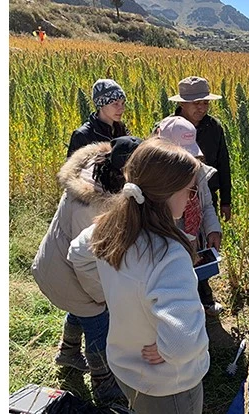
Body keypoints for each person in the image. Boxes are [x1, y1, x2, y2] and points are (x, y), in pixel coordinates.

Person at [67, 139, 209, 414]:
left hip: (125, 367)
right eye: (189, 191)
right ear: (168, 194)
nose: (191, 199)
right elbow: (182, 343)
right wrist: (170, 349)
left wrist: (110, 293)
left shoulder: (108, 228)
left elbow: (76, 254)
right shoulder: (169, 255)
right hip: (170, 385)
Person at [31, 136, 142, 404]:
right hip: (66, 272)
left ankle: (68, 352)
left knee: (79, 309)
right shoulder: (91, 207)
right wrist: (101, 297)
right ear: (122, 174)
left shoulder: (94, 171)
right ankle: (103, 383)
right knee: (97, 320)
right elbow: (85, 265)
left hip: (52, 264)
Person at [154, 115, 225, 316]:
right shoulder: (154, 181)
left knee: (200, 278)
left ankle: (204, 304)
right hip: (171, 248)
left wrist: (213, 229)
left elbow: (207, 204)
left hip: (196, 240)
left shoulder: (197, 170)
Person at [169, 76, 232, 221]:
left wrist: (225, 201)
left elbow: (223, 164)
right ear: (182, 104)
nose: (202, 108)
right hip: (175, 200)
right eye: (196, 103)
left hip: (207, 199)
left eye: (205, 103)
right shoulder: (168, 127)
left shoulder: (214, 127)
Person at [67, 79, 129, 158]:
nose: (122, 109)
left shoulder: (121, 129)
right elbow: (72, 168)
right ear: (101, 105)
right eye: (115, 104)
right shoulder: (83, 135)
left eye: (123, 103)